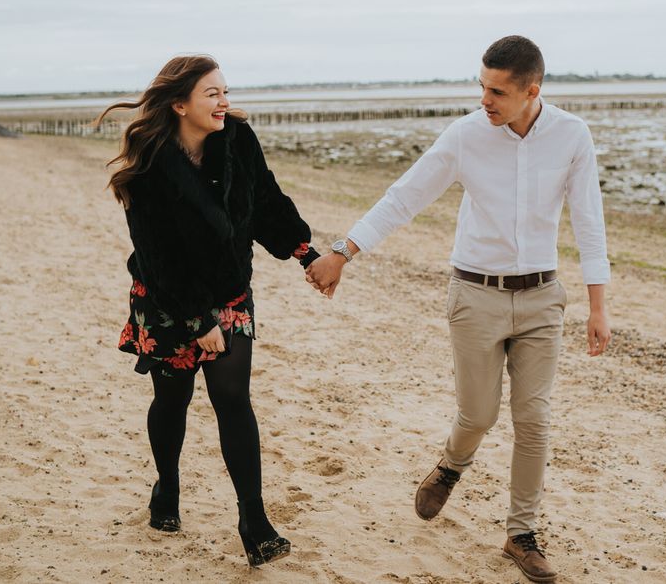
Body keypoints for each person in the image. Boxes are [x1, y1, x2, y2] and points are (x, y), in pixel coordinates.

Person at [305, 36, 611, 583]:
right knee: (478, 415)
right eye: (482, 86)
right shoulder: (467, 135)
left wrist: (597, 306)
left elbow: (589, 221)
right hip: (475, 295)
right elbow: (405, 196)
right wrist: (343, 251)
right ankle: (451, 465)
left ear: (531, 91)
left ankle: (521, 534)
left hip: (543, 298)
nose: (484, 99)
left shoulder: (572, 135)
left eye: (496, 91)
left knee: (534, 419)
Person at [96, 55, 319, 567]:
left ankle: (254, 520)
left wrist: (304, 252)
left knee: (231, 395)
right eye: (212, 94)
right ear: (180, 104)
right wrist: (199, 322)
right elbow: (157, 255)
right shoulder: (150, 166)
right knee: (172, 400)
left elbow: (265, 200)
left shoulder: (238, 141)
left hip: (229, 289)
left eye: (225, 91)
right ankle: (167, 487)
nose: (224, 102)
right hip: (167, 298)